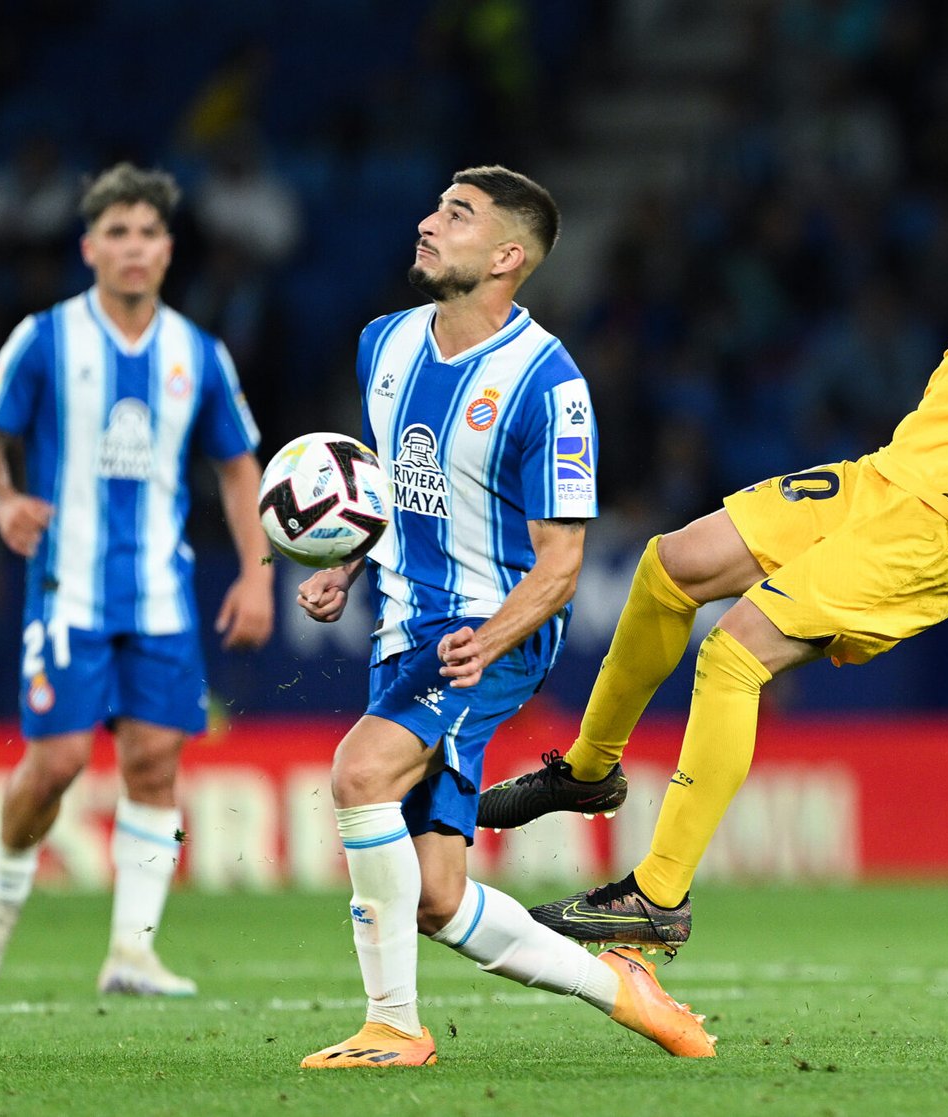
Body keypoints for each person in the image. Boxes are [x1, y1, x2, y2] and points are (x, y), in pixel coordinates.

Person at [477, 58, 948, 950]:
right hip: (883, 480)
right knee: (671, 564)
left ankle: (657, 896)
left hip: (947, 522)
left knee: (733, 655)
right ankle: (587, 772)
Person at [293, 166, 715, 1068]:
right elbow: (394, 483)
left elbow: (561, 566)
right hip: (404, 630)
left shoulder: (547, 384)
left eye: (457, 214)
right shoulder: (384, 344)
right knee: (439, 896)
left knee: (359, 771)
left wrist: (488, 639)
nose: (427, 223)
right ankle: (624, 990)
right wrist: (344, 557)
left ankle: (394, 1025)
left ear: (508, 255)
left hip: (491, 635)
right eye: (436, 206)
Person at [0, 163, 275, 997]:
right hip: (69, 587)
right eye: (118, 234)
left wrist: (257, 570)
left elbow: (240, 467)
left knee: (155, 763)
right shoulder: (46, 338)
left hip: (162, 593)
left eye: (148, 234)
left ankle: (131, 951)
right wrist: (4, 501)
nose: (134, 249)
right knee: (58, 760)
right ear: (90, 247)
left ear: (168, 251)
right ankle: (3, 893)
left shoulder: (197, 354)